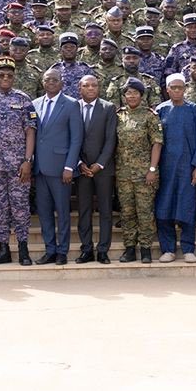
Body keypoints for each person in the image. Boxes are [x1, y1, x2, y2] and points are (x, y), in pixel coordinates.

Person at [0, 60, 38, 266]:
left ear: (14, 77)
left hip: (18, 165)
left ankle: (23, 249)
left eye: (9, 76)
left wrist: (28, 160)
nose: (5, 78)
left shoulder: (24, 100)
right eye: (1, 75)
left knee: (20, 206)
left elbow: (30, 131)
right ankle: (3, 249)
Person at [31, 69, 83, 265]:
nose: (51, 82)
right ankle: (50, 249)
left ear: (62, 83)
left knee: (62, 212)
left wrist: (70, 166)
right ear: (43, 82)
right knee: (44, 212)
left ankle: (62, 250)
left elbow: (76, 139)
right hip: (40, 168)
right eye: (47, 79)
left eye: (55, 80)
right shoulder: (35, 104)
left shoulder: (71, 105)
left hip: (61, 168)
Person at [154, 74, 196, 263]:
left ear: (185, 89)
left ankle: (188, 248)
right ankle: (168, 249)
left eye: (180, 87)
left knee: (187, 207)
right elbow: (154, 141)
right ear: (167, 89)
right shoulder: (160, 110)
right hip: (165, 169)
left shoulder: (194, 110)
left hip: (187, 168)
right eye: (173, 87)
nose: (177, 90)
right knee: (164, 208)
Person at [113, 79, 164, 262]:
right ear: (124, 96)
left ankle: (145, 249)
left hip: (145, 174)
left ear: (142, 95)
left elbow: (157, 144)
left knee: (145, 212)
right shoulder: (118, 116)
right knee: (127, 213)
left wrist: (152, 169)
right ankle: (129, 249)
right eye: (128, 93)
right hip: (123, 174)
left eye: (135, 93)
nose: (131, 96)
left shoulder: (150, 116)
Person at [73, 74, 117, 264]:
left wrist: (99, 164)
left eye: (94, 85)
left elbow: (110, 140)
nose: (90, 88)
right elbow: (70, 138)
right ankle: (86, 249)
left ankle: (103, 250)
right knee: (84, 210)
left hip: (103, 169)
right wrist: (79, 164)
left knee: (105, 210)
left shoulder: (108, 108)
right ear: (79, 88)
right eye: (86, 85)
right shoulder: (72, 107)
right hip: (81, 168)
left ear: (99, 88)